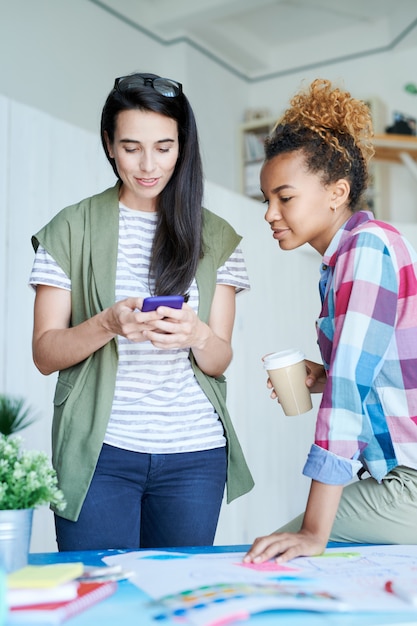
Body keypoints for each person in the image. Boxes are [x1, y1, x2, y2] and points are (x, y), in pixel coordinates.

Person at [29, 72, 254, 551]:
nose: (148, 164)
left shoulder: (217, 237)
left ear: (183, 146)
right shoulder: (70, 228)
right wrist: (108, 323)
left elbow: (219, 359)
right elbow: (46, 354)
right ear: (109, 145)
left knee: (178, 602)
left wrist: (196, 334)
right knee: (101, 599)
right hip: (100, 454)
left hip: (195, 456)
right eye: (131, 147)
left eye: (164, 147)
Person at [244, 78, 417, 565]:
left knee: (272, 556)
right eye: (266, 201)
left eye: (285, 197)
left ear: (338, 192)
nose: (271, 214)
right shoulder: (343, 261)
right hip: (395, 477)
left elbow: (348, 392)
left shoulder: (366, 250)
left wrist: (314, 531)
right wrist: (321, 376)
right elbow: (373, 371)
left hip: (411, 484)